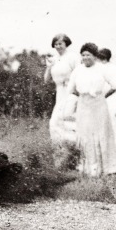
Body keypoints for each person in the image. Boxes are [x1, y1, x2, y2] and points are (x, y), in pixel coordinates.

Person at [65, 43, 116, 177]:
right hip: (84, 105)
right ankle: (89, 168)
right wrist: (83, 96)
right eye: (83, 55)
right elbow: (70, 89)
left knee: (101, 134)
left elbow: (115, 85)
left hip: (99, 105)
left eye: (88, 55)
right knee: (85, 135)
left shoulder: (102, 69)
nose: (85, 58)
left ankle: (107, 167)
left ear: (95, 56)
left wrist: (101, 96)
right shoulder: (78, 70)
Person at [44, 33, 80, 169]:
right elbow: (46, 80)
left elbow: (79, 73)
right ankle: (62, 159)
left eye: (61, 43)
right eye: (56, 44)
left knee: (71, 123)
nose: (58, 46)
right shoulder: (54, 59)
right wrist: (48, 66)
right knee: (55, 124)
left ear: (66, 44)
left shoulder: (72, 57)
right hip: (60, 94)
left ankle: (77, 159)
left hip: (72, 92)